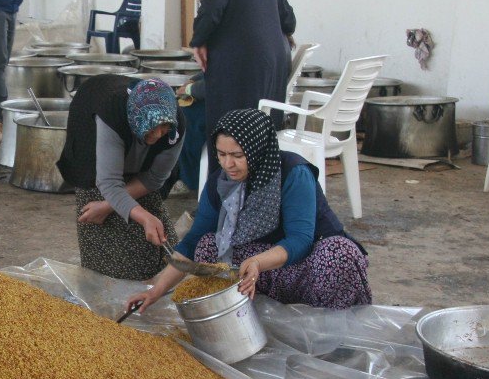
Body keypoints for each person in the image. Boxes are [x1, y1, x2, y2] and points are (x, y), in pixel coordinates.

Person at [127, 109, 371, 312]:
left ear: (256, 150)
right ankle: (249, 312)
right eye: (221, 155)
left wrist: (257, 262)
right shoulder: (220, 182)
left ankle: (327, 323)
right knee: (208, 246)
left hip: (307, 265)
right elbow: (192, 242)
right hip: (258, 267)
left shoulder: (292, 172)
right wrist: (156, 291)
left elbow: (301, 239)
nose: (227, 164)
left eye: (237, 155)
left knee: (341, 254)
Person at [57, 75, 185, 281]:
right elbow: (108, 182)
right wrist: (141, 216)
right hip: (96, 159)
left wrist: (109, 206)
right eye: (153, 128)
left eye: (164, 127)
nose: (159, 134)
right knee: (116, 265)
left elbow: (154, 178)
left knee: (156, 254)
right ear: (136, 119)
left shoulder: (175, 125)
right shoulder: (111, 116)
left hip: (140, 171)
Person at [191, 0, 295, 158]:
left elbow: (210, 14)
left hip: (241, 68)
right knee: (262, 130)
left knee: (230, 128)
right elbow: (289, 19)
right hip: (273, 67)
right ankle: (261, 180)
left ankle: (226, 186)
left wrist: (198, 41)